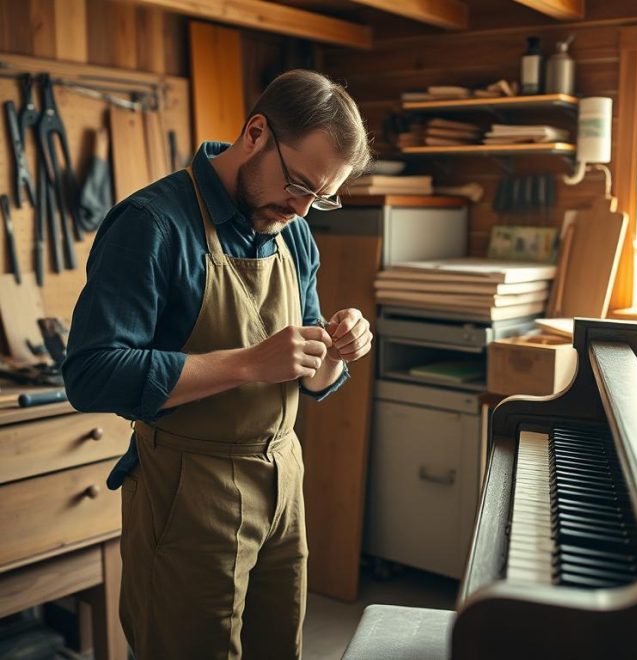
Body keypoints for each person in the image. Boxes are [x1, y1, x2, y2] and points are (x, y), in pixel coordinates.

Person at [62, 69, 373, 660]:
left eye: (322, 197)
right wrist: (247, 364)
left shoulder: (293, 231)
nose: (303, 208)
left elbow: (310, 376)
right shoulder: (152, 225)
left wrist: (336, 350)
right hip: (190, 491)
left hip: (283, 478)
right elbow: (92, 373)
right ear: (255, 133)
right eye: (299, 183)